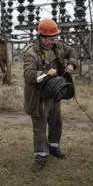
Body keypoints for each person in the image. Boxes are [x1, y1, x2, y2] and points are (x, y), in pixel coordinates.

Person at [22, 18, 78, 173]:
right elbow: (28, 74)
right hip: (38, 96)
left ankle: (53, 148)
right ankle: (40, 156)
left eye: (55, 38)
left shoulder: (57, 45)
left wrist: (71, 64)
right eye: (50, 39)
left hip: (55, 93)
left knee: (56, 122)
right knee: (40, 128)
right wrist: (44, 73)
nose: (53, 41)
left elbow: (72, 51)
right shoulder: (31, 51)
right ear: (42, 37)